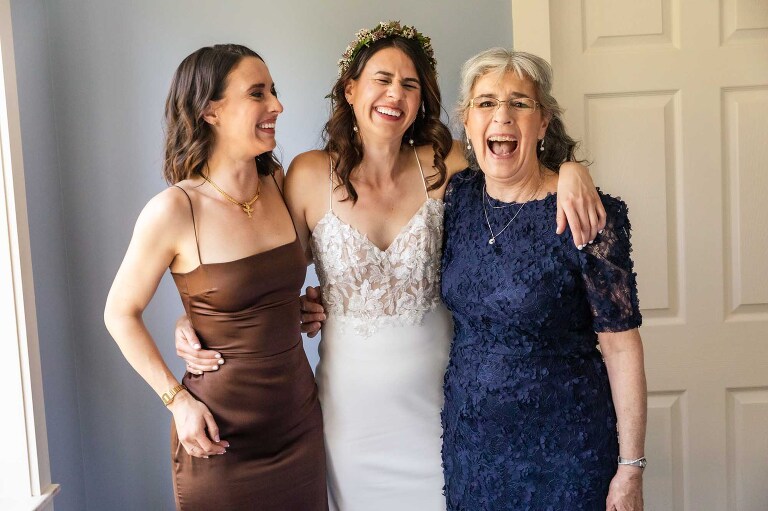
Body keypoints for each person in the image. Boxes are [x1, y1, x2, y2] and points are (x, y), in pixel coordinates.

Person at [175, 23, 605, 510]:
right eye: (382, 79)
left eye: (410, 84)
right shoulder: (307, 174)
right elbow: (261, 271)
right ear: (350, 90)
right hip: (349, 415)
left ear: (422, 100)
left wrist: (572, 170)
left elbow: (515, 163)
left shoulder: (446, 162)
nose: (395, 94)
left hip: (443, 406)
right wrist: (195, 319)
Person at [104, 44, 327, 510]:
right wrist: (177, 401)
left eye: (274, 91)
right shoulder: (174, 210)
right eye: (257, 93)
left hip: (299, 422)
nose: (277, 105)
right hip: (220, 436)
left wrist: (301, 305)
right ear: (210, 110)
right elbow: (119, 313)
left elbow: (271, 284)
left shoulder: (281, 184)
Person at [440, 48, 647, 511]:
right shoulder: (456, 198)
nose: (502, 116)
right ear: (467, 122)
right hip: (472, 450)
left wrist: (631, 468)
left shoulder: (588, 215)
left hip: (567, 451)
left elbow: (621, 346)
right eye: (486, 103)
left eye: (520, 103)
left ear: (543, 123)